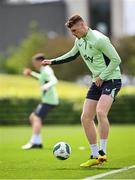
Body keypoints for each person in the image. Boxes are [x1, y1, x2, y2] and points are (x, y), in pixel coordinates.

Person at [41, 14, 122, 167]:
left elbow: (116, 60)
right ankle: (94, 154)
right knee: (85, 117)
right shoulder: (79, 41)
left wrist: (103, 76)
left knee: (100, 112)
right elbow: (71, 55)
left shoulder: (100, 40)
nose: (73, 34)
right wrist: (52, 61)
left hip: (111, 79)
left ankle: (102, 152)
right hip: (97, 82)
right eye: (71, 32)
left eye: (75, 30)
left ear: (83, 25)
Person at [22, 53, 59, 150]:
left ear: (39, 61)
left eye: (35, 63)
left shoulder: (46, 70)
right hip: (47, 100)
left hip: (49, 101)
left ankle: (34, 142)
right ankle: (37, 142)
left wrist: (47, 86)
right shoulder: (44, 70)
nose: (34, 65)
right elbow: (41, 78)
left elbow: (54, 80)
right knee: (33, 117)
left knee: (36, 118)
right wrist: (31, 74)